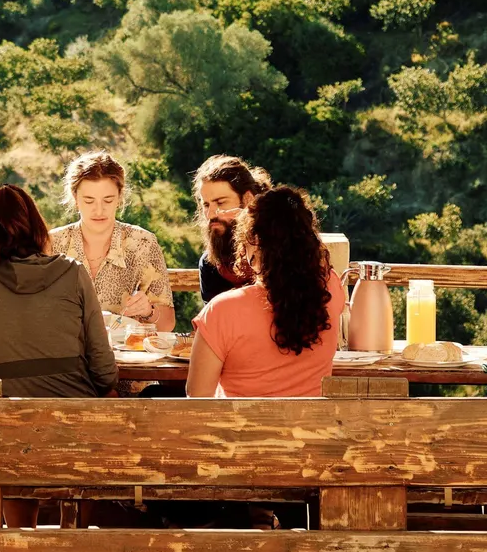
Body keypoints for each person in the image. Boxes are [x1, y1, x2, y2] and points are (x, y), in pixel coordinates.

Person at [0, 184, 119, 528]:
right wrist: (107, 385)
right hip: (72, 424)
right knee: (103, 409)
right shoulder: (73, 273)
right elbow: (102, 362)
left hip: (4, 431)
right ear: (35, 225)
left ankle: (21, 534)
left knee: (4, 435)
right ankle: (76, 536)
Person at [187, 185, 346, 399]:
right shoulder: (331, 288)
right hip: (314, 430)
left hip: (239, 431)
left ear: (252, 243)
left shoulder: (221, 311)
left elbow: (196, 398)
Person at [50, 150, 175, 332]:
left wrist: (148, 311)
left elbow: (167, 324)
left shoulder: (142, 243)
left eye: (108, 200)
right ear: (75, 199)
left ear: (119, 197)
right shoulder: (53, 243)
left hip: (123, 356)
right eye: (89, 201)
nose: (99, 210)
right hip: (64, 355)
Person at [192, 154, 272, 304]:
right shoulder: (210, 264)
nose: (210, 215)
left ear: (248, 199)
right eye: (206, 205)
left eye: (221, 203)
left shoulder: (280, 253)